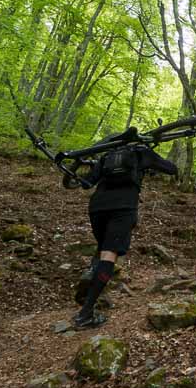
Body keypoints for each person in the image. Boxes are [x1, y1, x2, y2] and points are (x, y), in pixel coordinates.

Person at [66, 127, 177, 329]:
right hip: (122, 208)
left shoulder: (106, 156)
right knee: (109, 256)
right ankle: (85, 314)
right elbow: (171, 168)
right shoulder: (141, 152)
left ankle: (91, 275)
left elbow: (86, 183)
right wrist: (149, 165)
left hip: (97, 208)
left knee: (102, 248)